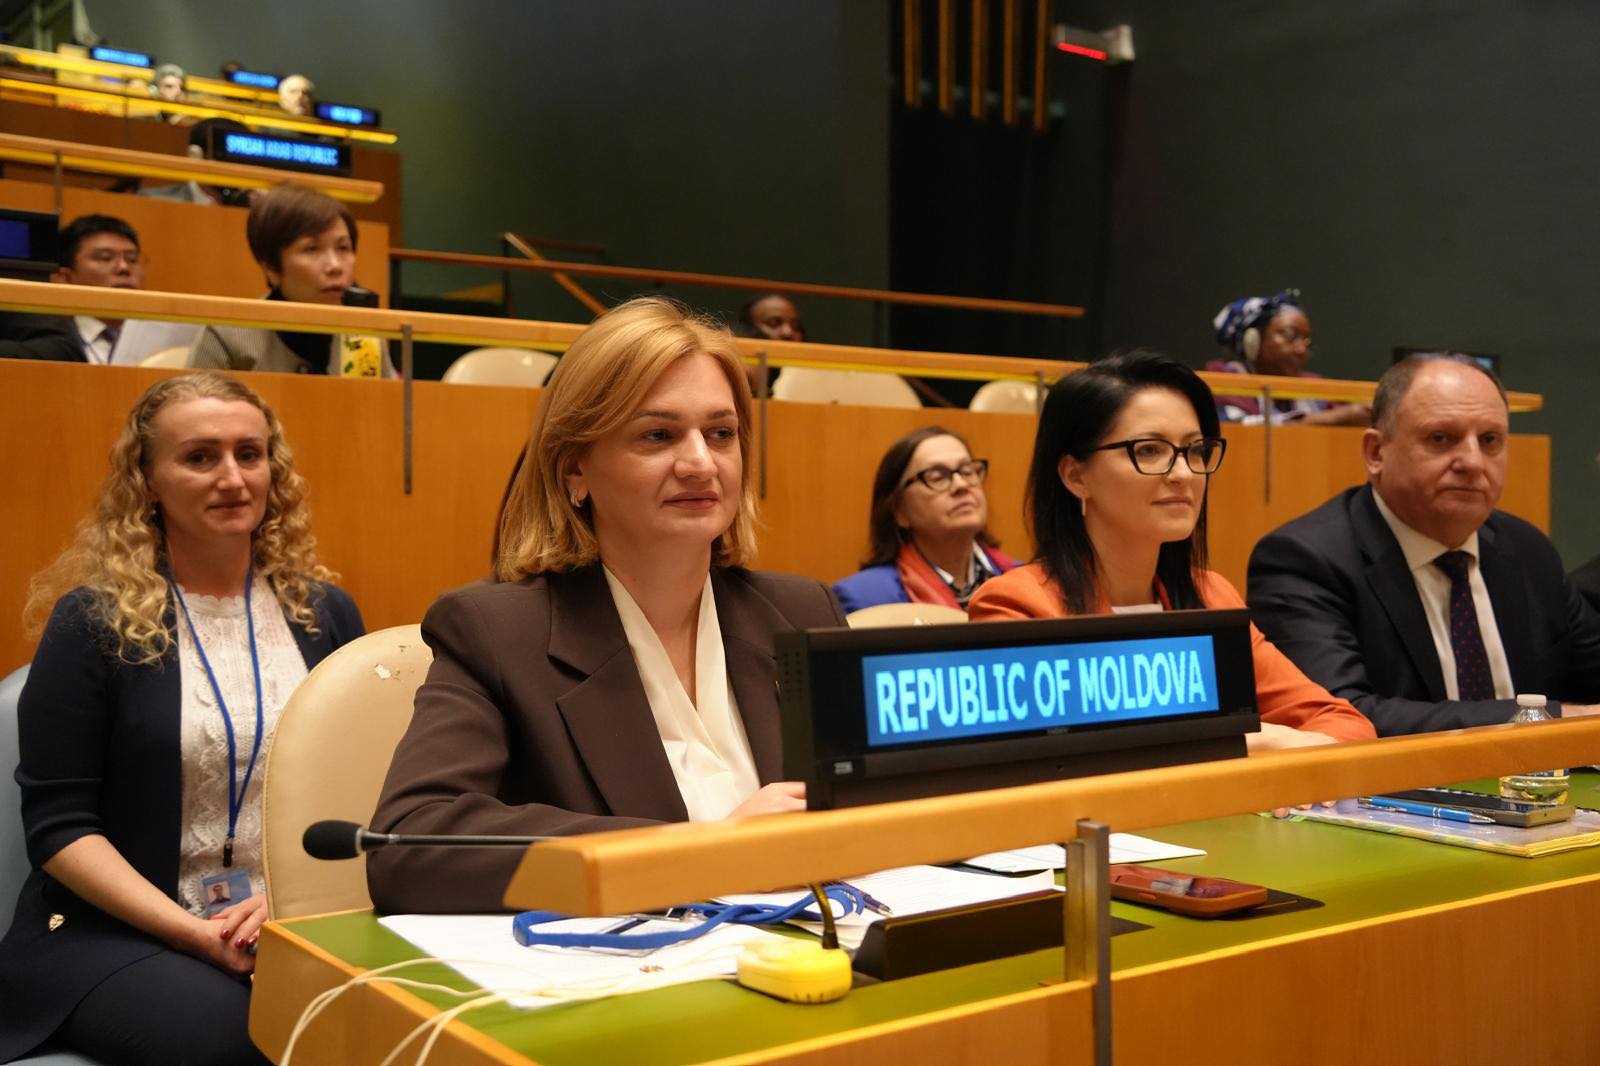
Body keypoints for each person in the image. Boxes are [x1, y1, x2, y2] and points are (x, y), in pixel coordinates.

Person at [367, 296, 846, 914]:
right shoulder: (496, 633)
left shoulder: (802, 611)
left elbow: (888, 809)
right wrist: (705, 851)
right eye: (658, 435)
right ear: (575, 470)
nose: (700, 462)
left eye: (721, 434)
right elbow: (410, 845)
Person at [0, 372, 364, 1064]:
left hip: (289, 919)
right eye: (200, 457)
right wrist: (195, 933)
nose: (232, 477)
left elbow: (355, 793)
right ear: (147, 482)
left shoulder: (323, 614)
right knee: (248, 1039)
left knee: (403, 1014)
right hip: (119, 933)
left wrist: (292, 903)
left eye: (249, 454)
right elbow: (59, 827)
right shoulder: (92, 621)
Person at [967, 349, 1375, 749]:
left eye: (1195, 450)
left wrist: (1264, 746)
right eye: (1149, 450)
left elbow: (1345, 726)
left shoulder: (1211, 596)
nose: (1183, 473)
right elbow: (1066, 759)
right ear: (1076, 476)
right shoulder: (1017, 605)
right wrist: (1250, 742)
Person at [1247, 354, 1600, 736]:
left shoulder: (1528, 549)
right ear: (1375, 453)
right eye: (1440, 438)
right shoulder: (1303, 561)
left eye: (1490, 440)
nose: (1472, 462)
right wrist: (1544, 717)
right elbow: (1341, 718)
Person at [186, 184, 390, 377]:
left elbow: (391, 401)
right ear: (271, 268)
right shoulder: (228, 335)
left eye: (343, 248)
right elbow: (190, 401)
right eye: (312, 249)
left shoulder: (363, 336)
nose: (335, 266)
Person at [833, 426, 1017, 614]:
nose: (961, 485)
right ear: (899, 510)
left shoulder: (1025, 581)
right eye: (937, 477)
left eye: (967, 471)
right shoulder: (866, 598)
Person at [49, 214, 202, 364]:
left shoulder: (171, 339)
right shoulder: (49, 342)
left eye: (132, 259)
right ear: (65, 278)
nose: (124, 267)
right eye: (105, 258)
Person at [1207, 289, 1368, 426]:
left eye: (1306, 341)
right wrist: (1330, 419)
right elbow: (1239, 428)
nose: (1301, 349)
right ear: (1253, 341)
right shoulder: (1222, 381)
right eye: (1291, 336)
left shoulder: (1315, 386)